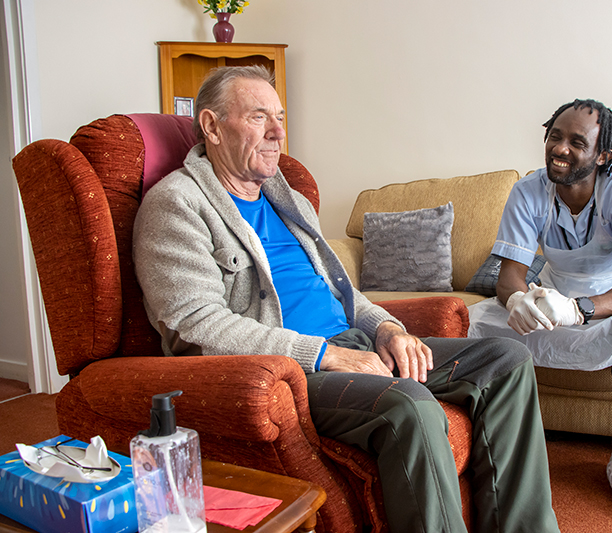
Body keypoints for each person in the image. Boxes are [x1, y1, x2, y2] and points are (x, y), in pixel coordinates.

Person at [132, 65, 560, 533]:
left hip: (353, 345)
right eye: (259, 117)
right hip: (296, 372)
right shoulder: (176, 204)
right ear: (212, 126)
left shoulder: (287, 198)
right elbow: (195, 325)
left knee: (507, 359)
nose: (278, 132)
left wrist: (388, 329)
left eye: (279, 117)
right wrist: (323, 354)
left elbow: (343, 292)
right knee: (409, 404)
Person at [468, 99, 612, 523]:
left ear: (603, 155)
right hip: (552, 291)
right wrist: (517, 300)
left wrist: (580, 310)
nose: (560, 148)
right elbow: (510, 276)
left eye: (577, 142)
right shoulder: (529, 190)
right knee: (471, 321)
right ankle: (476, 438)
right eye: (555, 136)